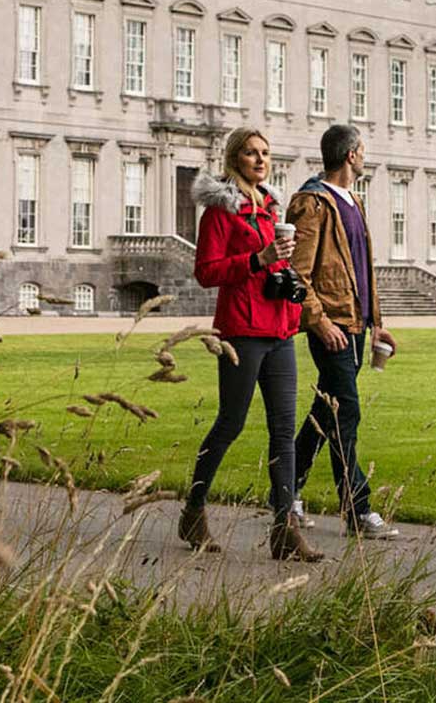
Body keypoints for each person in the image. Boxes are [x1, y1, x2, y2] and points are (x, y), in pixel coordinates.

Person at [182, 127, 324, 562]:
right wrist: (256, 260)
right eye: (250, 153)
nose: (260, 160)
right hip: (242, 330)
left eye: (264, 153)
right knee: (231, 423)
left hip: (280, 328)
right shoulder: (220, 213)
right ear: (234, 159)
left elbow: (276, 265)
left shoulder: (271, 208)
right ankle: (194, 509)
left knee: (283, 430)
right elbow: (206, 271)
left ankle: (285, 528)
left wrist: (284, 256)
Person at [285, 124, 400, 540]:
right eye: (363, 150)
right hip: (330, 325)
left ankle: (287, 492)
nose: (364, 157)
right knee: (346, 411)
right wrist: (318, 321)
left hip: (355, 324)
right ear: (351, 154)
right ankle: (358, 509)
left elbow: (360, 269)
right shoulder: (312, 203)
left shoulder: (353, 201)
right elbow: (297, 274)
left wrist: (377, 324)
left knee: (327, 409)